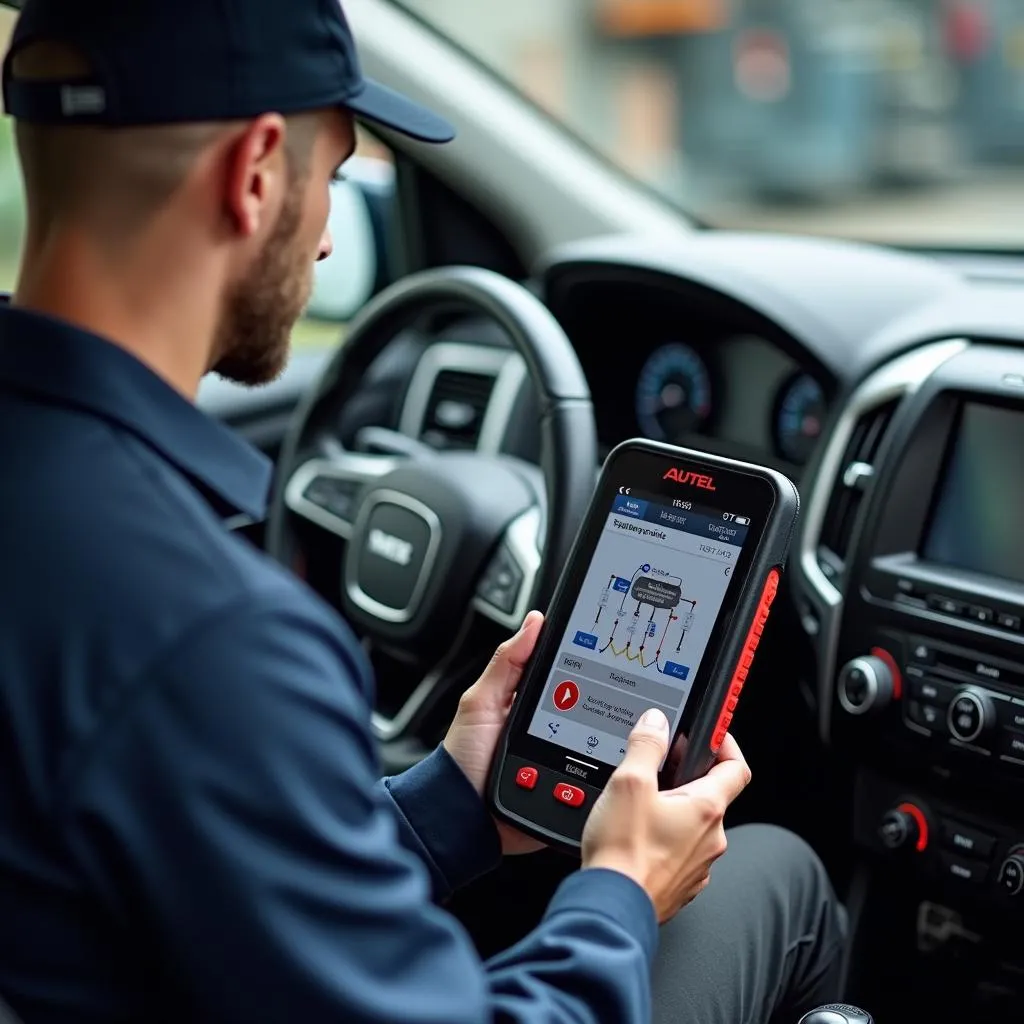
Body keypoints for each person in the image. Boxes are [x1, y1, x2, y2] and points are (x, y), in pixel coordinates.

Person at [0, 1, 846, 1022]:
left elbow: (206, 877)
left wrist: (457, 800)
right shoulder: (212, 636)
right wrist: (620, 889)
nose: (323, 235)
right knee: (781, 874)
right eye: (339, 170)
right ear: (257, 172)